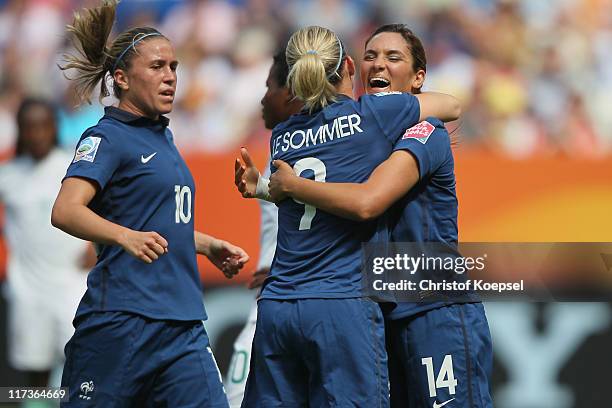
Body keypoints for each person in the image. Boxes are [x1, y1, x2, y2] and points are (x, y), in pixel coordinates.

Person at [252, 24, 493, 408]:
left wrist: (290, 186)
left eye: (393, 58)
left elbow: (368, 200)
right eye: (371, 56)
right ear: (353, 67)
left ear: (418, 79)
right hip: (384, 310)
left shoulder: (424, 130)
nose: (378, 64)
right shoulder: (360, 131)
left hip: (431, 308)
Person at [51, 1, 248, 406]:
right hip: (122, 321)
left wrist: (207, 245)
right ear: (121, 78)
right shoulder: (106, 137)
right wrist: (125, 237)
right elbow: (66, 210)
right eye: (157, 67)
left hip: (183, 325)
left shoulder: (164, 138)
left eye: (174, 67)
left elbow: (155, 223)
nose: (171, 77)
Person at [225, 51, 302, 408]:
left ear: (291, 94)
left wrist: (284, 269)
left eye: (269, 86)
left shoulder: (309, 153)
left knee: (239, 397)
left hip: (286, 300)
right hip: (274, 298)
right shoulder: (278, 148)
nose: (262, 97)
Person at [0, 98, 91, 396]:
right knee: (34, 369)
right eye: (30, 128)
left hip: (71, 282)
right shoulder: (9, 175)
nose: (37, 134)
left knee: (82, 359)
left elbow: (103, 209)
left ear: (54, 128)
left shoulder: (72, 168)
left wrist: (97, 245)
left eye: (43, 126)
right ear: (20, 131)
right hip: (27, 287)